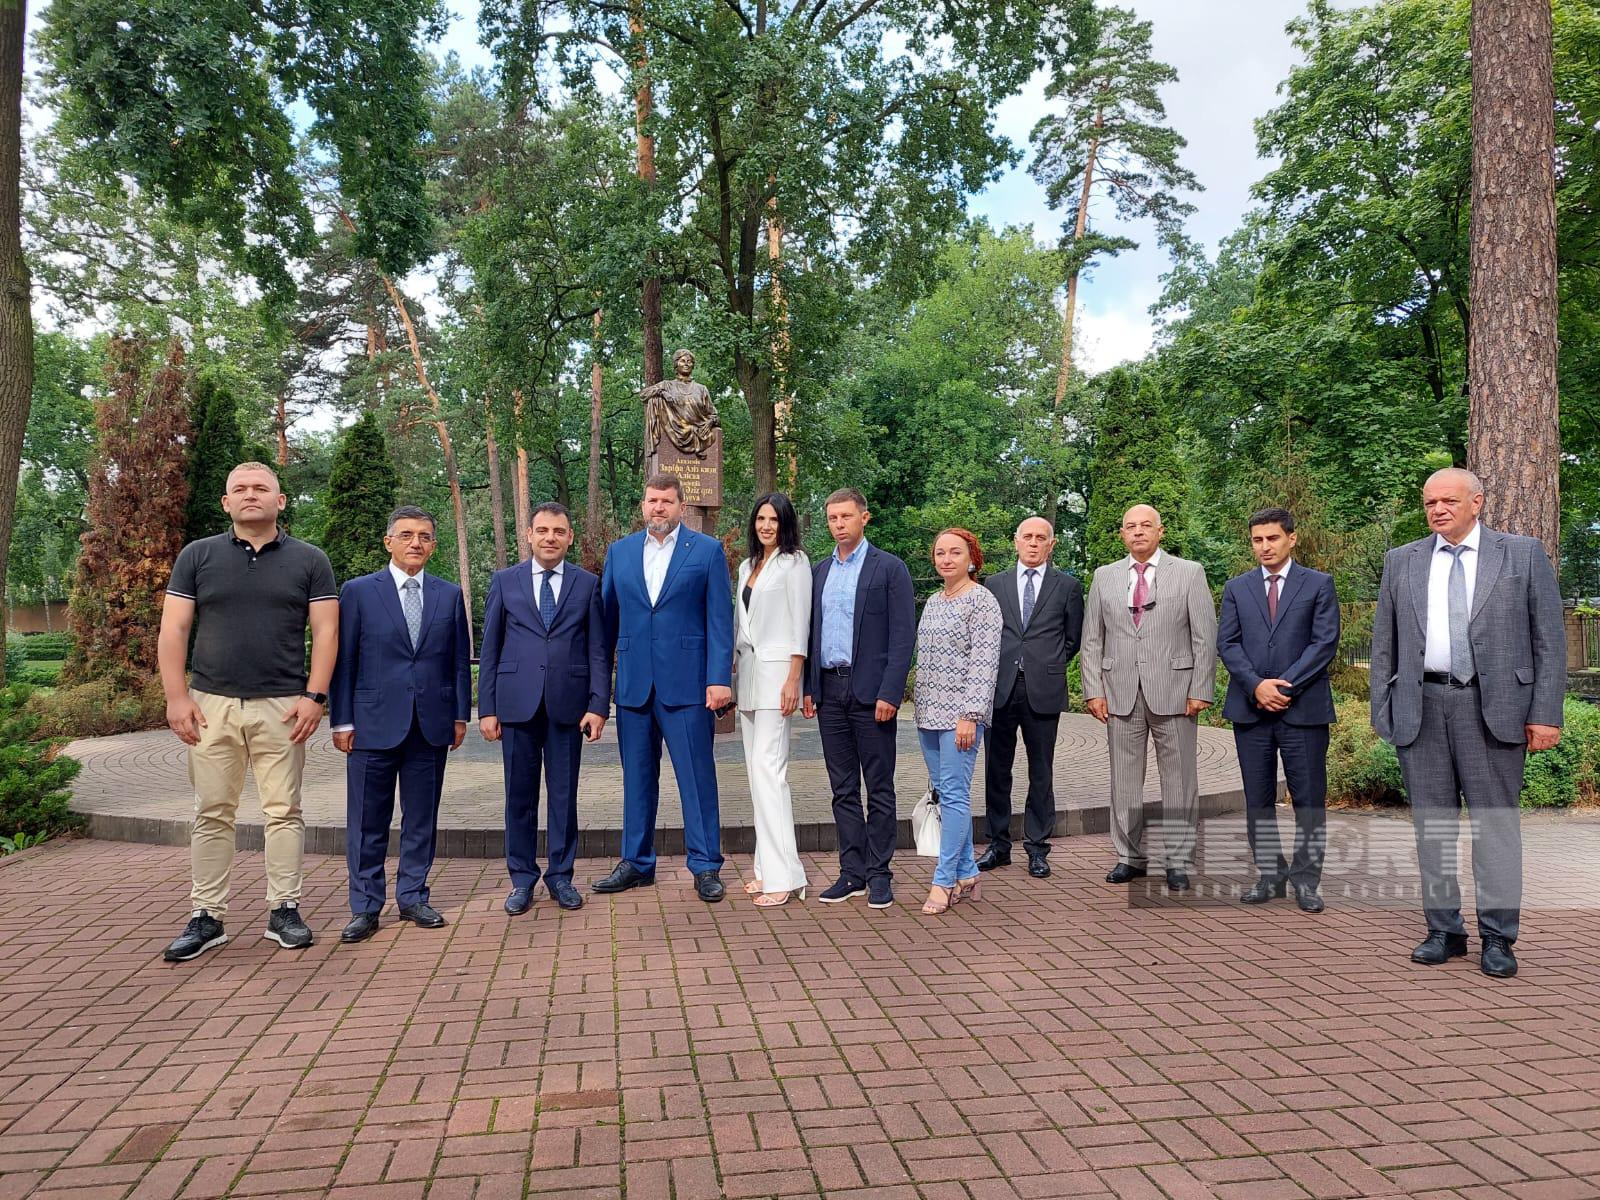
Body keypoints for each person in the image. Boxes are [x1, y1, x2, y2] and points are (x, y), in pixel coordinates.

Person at [1371, 468, 1564, 978]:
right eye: (1429, 502)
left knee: (1495, 829)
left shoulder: (1521, 554)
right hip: (1423, 707)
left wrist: (1545, 713)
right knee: (1432, 829)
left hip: (1494, 709)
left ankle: (1497, 936)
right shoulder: (1402, 560)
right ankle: (1444, 931)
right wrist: (1382, 710)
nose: (1437, 510)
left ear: (1476, 502)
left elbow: (1549, 641)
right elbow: (1384, 643)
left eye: (1449, 501)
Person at [157, 462, 338, 961]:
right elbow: (174, 629)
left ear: (280, 501)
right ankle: (207, 916)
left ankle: (284, 909)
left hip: (284, 705)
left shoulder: (310, 560)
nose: (250, 495)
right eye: (240, 489)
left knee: (284, 811)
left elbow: (326, 631)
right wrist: (177, 697)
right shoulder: (197, 556)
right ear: (227, 502)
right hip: (210, 705)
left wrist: (314, 697)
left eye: (261, 488)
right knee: (212, 812)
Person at [329, 506, 472, 943]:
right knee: (367, 822)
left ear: (434, 545)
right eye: (407, 535)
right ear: (388, 542)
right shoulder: (358, 592)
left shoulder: (449, 595)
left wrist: (460, 714)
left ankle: (412, 896)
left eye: (425, 536)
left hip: (430, 726)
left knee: (421, 819)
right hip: (371, 725)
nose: (416, 543)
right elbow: (344, 659)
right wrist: (341, 720)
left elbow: (458, 661)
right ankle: (365, 906)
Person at [594, 474, 735, 902]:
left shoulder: (706, 551)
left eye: (667, 501)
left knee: (696, 778)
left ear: (681, 507)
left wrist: (719, 678)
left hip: (688, 686)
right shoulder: (619, 553)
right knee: (637, 779)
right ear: (643, 505)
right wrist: (600, 690)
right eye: (653, 500)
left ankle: (705, 865)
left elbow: (719, 620)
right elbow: (605, 624)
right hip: (634, 687)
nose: (659, 508)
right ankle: (636, 863)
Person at [479, 502, 610, 915]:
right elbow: (490, 647)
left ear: (569, 537)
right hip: (516, 706)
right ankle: (521, 879)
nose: (550, 537)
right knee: (518, 797)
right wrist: (487, 708)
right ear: (529, 535)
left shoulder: (587, 585)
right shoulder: (505, 581)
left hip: (568, 707)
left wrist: (598, 705)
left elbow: (598, 650)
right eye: (542, 530)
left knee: (563, 797)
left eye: (558, 531)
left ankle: (560, 876)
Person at [1080, 504, 1217, 892]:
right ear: (1122, 534)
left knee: (1180, 780)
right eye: (1130, 526)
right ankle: (1129, 856)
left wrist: (1200, 688)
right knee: (1124, 780)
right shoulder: (1104, 576)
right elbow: (1092, 640)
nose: (1138, 532)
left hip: (1176, 692)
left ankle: (1178, 860)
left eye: (1145, 526)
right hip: (1120, 692)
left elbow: (1204, 637)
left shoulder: (1189, 573)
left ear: (1161, 531)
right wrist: (1094, 690)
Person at [1216, 507, 1339, 914]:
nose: (1265, 546)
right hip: (1251, 709)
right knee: (1258, 798)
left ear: (1291, 538)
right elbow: (1228, 644)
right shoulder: (1237, 588)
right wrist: (1256, 686)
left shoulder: (1318, 584)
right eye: (1258, 540)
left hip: (1302, 709)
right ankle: (1270, 875)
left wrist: (1283, 686)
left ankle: (1306, 880)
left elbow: (1324, 643)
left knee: (1309, 799)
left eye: (1272, 538)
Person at [803, 489, 916, 910]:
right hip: (829, 691)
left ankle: (880, 873)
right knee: (843, 788)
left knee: (879, 787)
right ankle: (852, 872)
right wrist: (810, 687)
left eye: (846, 516)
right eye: (832, 518)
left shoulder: (889, 568)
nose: (838, 524)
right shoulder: (818, 572)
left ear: (864, 518)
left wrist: (891, 691)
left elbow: (903, 636)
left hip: (873, 694)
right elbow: (810, 634)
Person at [979, 517, 1084, 878]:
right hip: (1000, 688)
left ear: (1051, 545)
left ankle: (1037, 848)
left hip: (1043, 689)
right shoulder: (995, 584)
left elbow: (1072, 639)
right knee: (996, 770)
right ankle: (998, 845)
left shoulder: (1067, 586)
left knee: (1041, 771)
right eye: (1028, 537)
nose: (1034, 543)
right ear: (1016, 541)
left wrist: (1044, 663)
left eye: (1041, 538)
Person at [915, 529, 1003, 915]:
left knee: (954, 795)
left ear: (972, 559)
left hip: (960, 718)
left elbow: (985, 663)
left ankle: (944, 879)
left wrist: (970, 715)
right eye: (940, 553)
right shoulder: (934, 602)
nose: (947, 559)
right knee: (946, 795)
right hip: (927, 715)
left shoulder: (982, 601)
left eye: (955, 552)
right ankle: (968, 873)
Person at [734, 493, 812, 907]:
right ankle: (765, 867)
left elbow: (801, 623)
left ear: (786, 524)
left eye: (774, 520)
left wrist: (794, 679)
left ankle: (786, 876)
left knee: (770, 773)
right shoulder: (747, 566)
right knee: (756, 775)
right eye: (761, 518)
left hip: (779, 676)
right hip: (749, 677)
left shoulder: (794, 563)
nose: (766, 526)